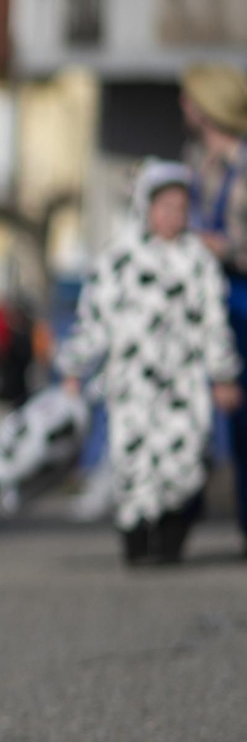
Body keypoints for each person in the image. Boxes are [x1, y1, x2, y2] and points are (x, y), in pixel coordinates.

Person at [56, 159, 242, 565]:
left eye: (180, 208)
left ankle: (171, 537)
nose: (173, 216)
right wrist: (74, 367)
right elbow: (94, 319)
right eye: (166, 207)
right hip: (133, 384)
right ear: (148, 207)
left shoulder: (197, 260)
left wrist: (223, 375)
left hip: (184, 384)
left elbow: (214, 323)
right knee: (134, 465)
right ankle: (137, 544)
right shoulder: (119, 260)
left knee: (186, 463)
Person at [181, 64, 247, 552]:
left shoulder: (244, 169)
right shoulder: (196, 165)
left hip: (241, 301)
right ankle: (175, 516)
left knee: (242, 418)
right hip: (198, 303)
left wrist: (214, 245)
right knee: (189, 413)